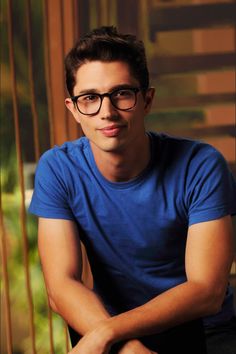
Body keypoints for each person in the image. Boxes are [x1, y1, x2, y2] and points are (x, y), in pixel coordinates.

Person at [29, 26, 236, 354]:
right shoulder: (59, 168)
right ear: (73, 108)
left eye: (122, 93)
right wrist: (125, 345)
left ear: (147, 100)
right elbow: (61, 285)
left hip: (203, 329)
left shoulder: (201, 164)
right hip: (107, 325)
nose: (106, 112)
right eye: (90, 98)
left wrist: (107, 334)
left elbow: (207, 291)